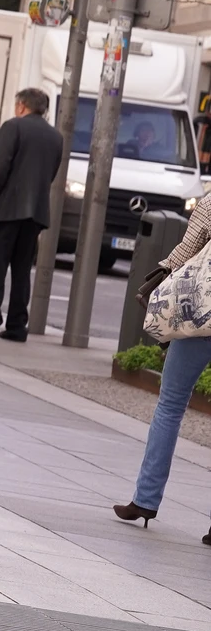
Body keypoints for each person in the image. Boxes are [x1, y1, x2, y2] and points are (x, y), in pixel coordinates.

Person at [114, 196, 211, 543]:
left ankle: (145, 500)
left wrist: (162, 271)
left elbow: (188, 249)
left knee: (170, 406)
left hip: (200, 320)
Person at [0, 87, 63, 341]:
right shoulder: (56, 137)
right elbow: (51, 174)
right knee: (22, 271)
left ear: (21, 106)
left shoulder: (13, 127)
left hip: (6, 210)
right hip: (35, 214)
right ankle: (16, 326)